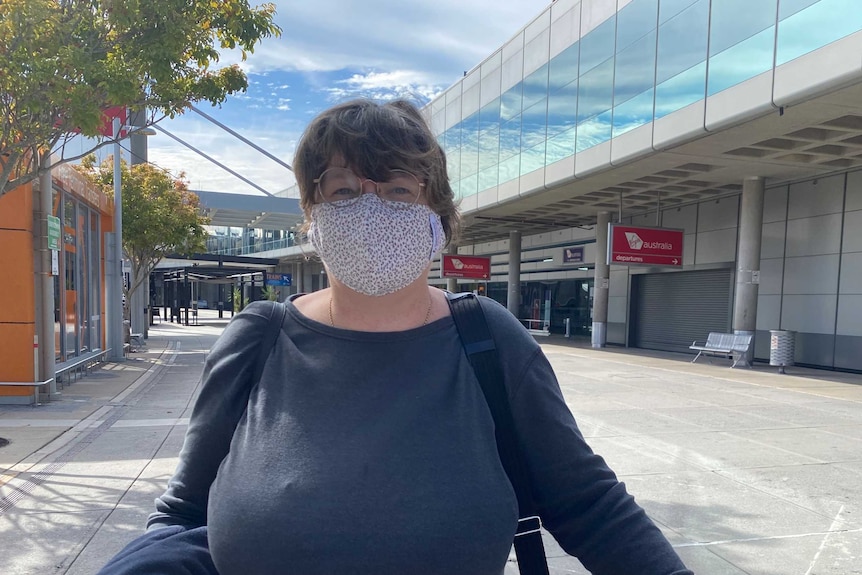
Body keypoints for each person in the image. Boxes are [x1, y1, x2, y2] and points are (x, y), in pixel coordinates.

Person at [99, 99, 693, 575]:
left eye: (399, 190)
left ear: (438, 215)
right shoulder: (258, 339)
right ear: (313, 215)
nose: (371, 210)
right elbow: (183, 514)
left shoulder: (488, 340)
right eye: (345, 192)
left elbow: (589, 505)